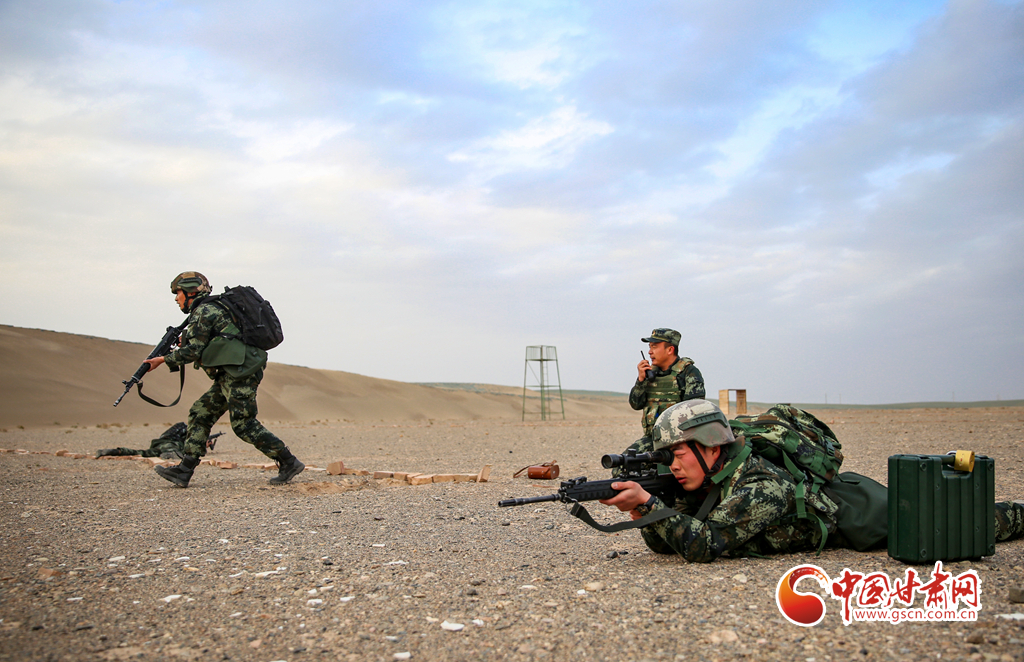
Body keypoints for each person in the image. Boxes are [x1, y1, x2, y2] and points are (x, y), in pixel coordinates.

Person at [600, 399, 1024, 563]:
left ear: (710, 447)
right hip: (838, 500)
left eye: (676, 454)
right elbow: (669, 542)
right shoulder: (712, 478)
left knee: (963, 522)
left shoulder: (760, 484)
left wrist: (649, 505)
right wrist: (642, 509)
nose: (672, 467)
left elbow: (704, 545)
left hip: (860, 515)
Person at [142, 272, 304, 488]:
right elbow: (213, 342)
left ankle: (288, 461)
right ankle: (185, 470)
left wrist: (162, 360)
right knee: (200, 413)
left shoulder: (204, 311)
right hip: (231, 373)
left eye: (178, 293)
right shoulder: (212, 308)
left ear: (190, 291)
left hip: (240, 372)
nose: (176, 298)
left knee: (244, 424)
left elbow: (193, 351)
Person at [629, 328, 705, 437]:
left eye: (654, 347)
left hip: (680, 438)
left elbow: (695, 413)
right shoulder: (650, 373)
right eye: (649, 347)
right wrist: (640, 381)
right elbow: (636, 405)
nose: (650, 352)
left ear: (670, 350)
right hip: (653, 438)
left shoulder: (689, 373)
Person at [95, 422, 221, 459]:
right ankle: (169, 455)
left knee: (143, 453)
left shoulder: (180, 427)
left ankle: (116, 451)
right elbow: (191, 445)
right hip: (171, 445)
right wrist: (202, 444)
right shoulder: (188, 430)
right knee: (180, 453)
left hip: (159, 443)